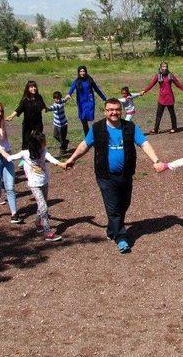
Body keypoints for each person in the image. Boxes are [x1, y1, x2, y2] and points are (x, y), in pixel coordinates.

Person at [65, 99, 162, 253]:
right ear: (105, 111)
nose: (114, 112)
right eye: (110, 110)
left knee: (124, 204)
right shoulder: (97, 128)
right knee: (113, 207)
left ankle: (112, 230)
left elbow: (144, 143)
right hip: (105, 175)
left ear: (121, 111)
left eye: (117, 109)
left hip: (126, 174)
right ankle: (121, 237)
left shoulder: (130, 127)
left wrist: (156, 160)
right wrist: (72, 159)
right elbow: (85, 145)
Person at [7, 131, 66, 242]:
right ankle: (48, 233)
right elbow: (11, 157)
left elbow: (52, 159)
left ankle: (38, 222)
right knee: (43, 206)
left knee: (42, 205)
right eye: (43, 142)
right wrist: (3, 153)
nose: (45, 144)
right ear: (36, 144)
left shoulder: (44, 152)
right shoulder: (25, 153)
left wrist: (62, 164)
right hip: (34, 184)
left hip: (44, 181)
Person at [141, 61, 183, 134]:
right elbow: (151, 85)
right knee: (158, 115)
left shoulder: (170, 75)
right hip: (162, 98)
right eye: (163, 67)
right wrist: (144, 91)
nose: (165, 68)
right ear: (160, 67)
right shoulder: (158, 76)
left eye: (166, 66)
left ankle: (174, 128)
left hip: (169, 98)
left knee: (172, 114)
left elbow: (178, 84)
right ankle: (155, 129)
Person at [65, 66, 108, 136]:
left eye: (83, 71)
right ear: (78, 72)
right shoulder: (76, 81)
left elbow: (96, 89)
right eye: (81, 71)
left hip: (89, 102)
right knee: (83, 119)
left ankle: (93, 134)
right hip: (81, 103)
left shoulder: (89, 80)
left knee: (90, 118)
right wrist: (68, 94)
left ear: (86, 72)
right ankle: (87, 135)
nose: (82, 73)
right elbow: (72, 88)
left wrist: (104, 98)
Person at [6, 80, 47, 150]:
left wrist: (46, 108)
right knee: (26, 142)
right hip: (27, 124)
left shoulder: (39, 97)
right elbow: (19, 109)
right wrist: (11, 116)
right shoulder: (25, 100)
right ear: (27, 89)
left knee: (38, 140)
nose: (33, 88)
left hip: (38, 123)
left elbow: (43, 104)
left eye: (34, 87)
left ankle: (37, 156)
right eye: (31, 87)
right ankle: (24, 158)